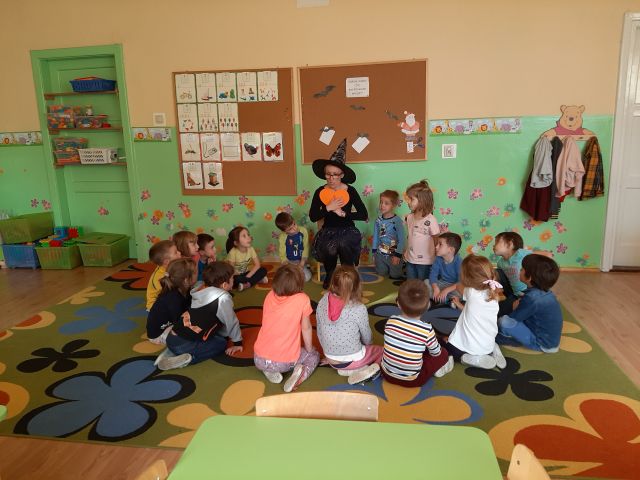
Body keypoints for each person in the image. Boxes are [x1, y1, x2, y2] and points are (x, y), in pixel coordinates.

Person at [160, 261, 243, 370]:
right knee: (221, 343)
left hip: (171, 338)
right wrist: (237, 343)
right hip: (185, 344)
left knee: (216, 334)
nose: (234, 280)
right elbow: (231, 322)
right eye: (232, 278)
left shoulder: (200, 288)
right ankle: (189, 358)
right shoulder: (222, 298)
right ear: (224, 285)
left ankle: (173, 352)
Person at [309, 138, 368, 289]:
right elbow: (313, 216)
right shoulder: (320, 191)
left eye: (335, 174)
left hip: (347, 229)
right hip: (328, 230)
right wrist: (328, 208)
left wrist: (344, 214)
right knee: (330, 247)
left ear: (342, 175)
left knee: (344, 243)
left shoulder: (350, 190)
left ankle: (348, 275)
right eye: (328, 174)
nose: (331, 178)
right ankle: (330, 273)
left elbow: (363, 214)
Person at [253, 264, 319, 392]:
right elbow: (306, 328)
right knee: (313, 355)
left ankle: (269, 370)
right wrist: (309, 349)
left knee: (272, 355)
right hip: (283, 363)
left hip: (258, 358)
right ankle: (300, 375)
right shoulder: (303, 299)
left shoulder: (269, 295)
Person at [316, 266, 383, 384]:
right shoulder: (359, 308)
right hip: (354, 358)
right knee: (382, 351)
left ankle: (348, 369)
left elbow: (320, 332)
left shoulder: (322, 301)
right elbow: (367, 336)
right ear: (356, 287)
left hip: (331, 360)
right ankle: (366, 368)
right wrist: (368, 347)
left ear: (333, 283)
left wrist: (328, 351)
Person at [444, 255, 506, 370]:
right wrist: (459, 304)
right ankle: (493, 349)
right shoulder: (493, 293)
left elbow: (458, 285)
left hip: (471, 347)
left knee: (448, 346)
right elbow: (473, 313)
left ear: (467, 278)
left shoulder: (470, 292)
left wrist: (452, 288)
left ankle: (465, 358)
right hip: (487, 345)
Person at [497, 254, 563, 352]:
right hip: (549, 340)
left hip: (541, 343)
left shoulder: (532, 298)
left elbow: (513, 319)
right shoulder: (545, 292)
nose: (519, 271)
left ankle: (509, 339)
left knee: (504, 321)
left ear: (529, 278)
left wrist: (511, 309)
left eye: (522, 269)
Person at [146, 258, 191, 346]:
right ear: (186, 280)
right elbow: (179, 323)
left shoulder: (182, 289)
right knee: (189, 339)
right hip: (158, 334)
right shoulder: (173, 298)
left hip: (170, 324)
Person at [404, 180, 440, 281]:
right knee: (411, 282)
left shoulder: (430, 220)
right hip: (410, 259)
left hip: (425, 261)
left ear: (422, 201)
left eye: (411, 199)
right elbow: (410, 236)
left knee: (423, 284)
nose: (408, 202)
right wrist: (406, 251)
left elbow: (436, 238)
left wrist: (437, 253)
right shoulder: (410, 217)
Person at [493, 231, 531, 316]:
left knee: (500, 312)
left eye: (497, 242)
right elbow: (500, 280)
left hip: (526, 292)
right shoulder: (500, 263)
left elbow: (548, 255)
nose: (493, 246)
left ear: (510, 244)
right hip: (513, 293)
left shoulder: (520, 253)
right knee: (497, 272)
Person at [372, 189, 405, 280]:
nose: (382, 205)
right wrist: (374, 253)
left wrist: (398, 255)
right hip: (381, 253)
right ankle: (383, 265)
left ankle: (401, 264)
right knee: (381, 273)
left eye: (386, 203)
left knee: (395, 276)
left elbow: (402, 239)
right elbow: (376, 237)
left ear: (393, 205)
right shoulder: (378, 220)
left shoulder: (397, 221)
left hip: (393, 254)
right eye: (381, 202)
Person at [225, 226, 268, 291]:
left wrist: (247, 277)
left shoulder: (251, 249)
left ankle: (247, 284)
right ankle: (257, 280)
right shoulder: (232, 252)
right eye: (244, 236)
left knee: (263, 270)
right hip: (235, 275)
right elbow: (231, 271)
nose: (248, 237)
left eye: (248, 235)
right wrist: (246, 278)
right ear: (236, 243)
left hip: (245, 274)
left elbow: (257, 265)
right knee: (237, 279)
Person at [275, 212, 312, 282]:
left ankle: (303, 269)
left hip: (301, 261)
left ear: (294, 221)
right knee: (281, 277)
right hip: (289, 262)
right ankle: (294, 275)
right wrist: (287, 265)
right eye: (290, 229)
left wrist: (301, 264)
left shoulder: (303, 231)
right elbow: (282, 253)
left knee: (307, 277)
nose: (294, 229)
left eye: (294, 224)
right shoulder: (282, 237)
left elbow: (306, 247)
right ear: (284, 231)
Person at [146, 240, 181, 311]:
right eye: (176, 252)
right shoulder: (159, 277)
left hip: (167, 300)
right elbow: (168, 294)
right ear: (167, 261)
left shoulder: (168, 267)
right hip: (155, 306)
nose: (179, 252)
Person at [429, 232, 463, 305]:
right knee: (426, 283)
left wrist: (446, 290)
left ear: (450, 249)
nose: (436, 247)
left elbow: (460, 282)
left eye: (440, 244)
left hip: (454, 286)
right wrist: (435, 288)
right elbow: (433, 275)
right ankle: (443, 299)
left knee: (462, 292)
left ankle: (442, 298)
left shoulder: (459, 262)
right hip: (442, 283)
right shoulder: (438, 258)